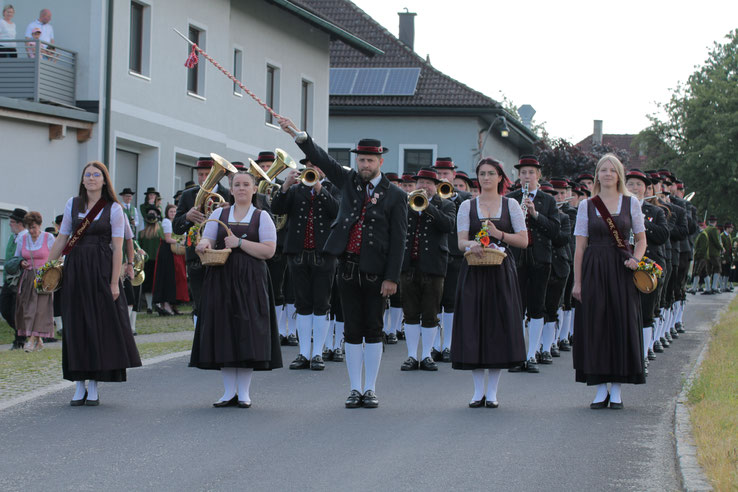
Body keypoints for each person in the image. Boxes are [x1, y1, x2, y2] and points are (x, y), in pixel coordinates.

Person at [279, 116, 407, 409]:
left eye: (369, 161)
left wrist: (392, 278)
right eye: (361, 160)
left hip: (377, 273)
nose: (364, 165)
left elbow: (398, 241)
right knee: (351, 330)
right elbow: (323, 159)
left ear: (380, 162)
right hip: (347, 268)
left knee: (373, 331)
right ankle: (354, 388)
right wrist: (300, 136)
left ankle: (370, 388)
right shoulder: (348, 181)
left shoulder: (396, 196)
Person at [46, 161, 141, 406]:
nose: (91, 178)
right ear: (82, 179)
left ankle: (95, 385)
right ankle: (79, 384)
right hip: (75, 268)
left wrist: (113, 282)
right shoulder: (72, 204)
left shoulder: (114, 209)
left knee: (98, 325)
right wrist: (46, 268)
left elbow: (118, 247)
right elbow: (62, 238)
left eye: (96, 175)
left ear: (104, 180)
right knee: (75, 324)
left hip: (101, 268)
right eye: (87, 174)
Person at [190, 172, 282, 407]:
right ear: (230, 189)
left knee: (247, 332)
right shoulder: (219, 213)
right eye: (237, 185)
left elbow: (269, 251)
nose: (241, 188)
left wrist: (240, 243)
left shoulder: (262, 217)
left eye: (246, 185)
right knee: (224, 331)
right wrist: (203, 244)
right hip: (221, 278)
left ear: (254, 190)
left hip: (251, 279)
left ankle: (244, 393)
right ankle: (228, 392)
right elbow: (209, 238)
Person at [451, 158, 528, 407]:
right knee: (473, 326)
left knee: (497, 327)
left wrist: (499, 235)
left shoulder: (511, 205)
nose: (486, 178)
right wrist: (472, 244)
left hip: (500, 271)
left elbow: (524, 241)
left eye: (491, 173)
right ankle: (477, 391)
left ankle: (492, 392)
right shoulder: (467, 206)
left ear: (500, 178)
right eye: (482, 173)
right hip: (474, 270)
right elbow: (460, 241)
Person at [572, 154, 647, 409]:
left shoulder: (631, 203)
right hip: (594, 268)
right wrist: (578, 282)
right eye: (602, 170)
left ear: (619, 175)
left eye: (611, 170)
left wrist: (636, 259)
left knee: (620, 324)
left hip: (621, 269)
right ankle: (600, 388)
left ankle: (616, 389)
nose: (607, 174)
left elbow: (641, 239)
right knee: (596, 325)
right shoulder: (587, 205)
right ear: (597, 175)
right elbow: (580, 247)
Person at [271, 158, 340, 371]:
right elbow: (277, 207)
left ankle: (318, 353)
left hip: (324, 254)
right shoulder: (295, 189)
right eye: (309, 166)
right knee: (302, 304)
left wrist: (319, 187)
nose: (312, 169)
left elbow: (337, 211)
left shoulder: (334, 187)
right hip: (298, 253)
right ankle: (303, 353)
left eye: (316, 166)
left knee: (321, 303)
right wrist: (285, 186)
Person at [505, 156, 560, 373]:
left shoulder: (548, 201)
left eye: (531, 172)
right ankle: (518, 355)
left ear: (538, 175)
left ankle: (532, 354)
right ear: (519, 176)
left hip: (540, 258)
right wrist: (518, 211)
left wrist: (535, 214)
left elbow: (555, 231)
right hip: (516, 257)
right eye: (523, 172)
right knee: (517, 307)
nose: (527, 176)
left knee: (538, 307)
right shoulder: (510, 199)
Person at [399, 167, 455, 371]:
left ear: (436, 187)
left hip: (433, 266)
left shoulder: (446, 205)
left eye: (428, 183)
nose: (423, 186)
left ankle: (427, 355)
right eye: (420, 183)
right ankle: (412, 355)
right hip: (408, 265)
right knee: (410, 312)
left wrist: (428, 208)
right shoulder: (406, 204)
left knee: (431, 313)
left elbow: (448, 225)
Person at [173, 157, 232, 329]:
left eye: (208, 174)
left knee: (222, 300)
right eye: (201, 174)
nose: (204, 177)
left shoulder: (228, 194)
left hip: (221, 254)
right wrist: (187, 217)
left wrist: (228, 212)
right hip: (196, 255)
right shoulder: (187, 195)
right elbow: (176, 227)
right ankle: (200, 340)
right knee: (199, 300)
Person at [625, 169, 669, 368]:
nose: (634, 188)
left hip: (648, 267)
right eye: (631, 184)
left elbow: (662, 236)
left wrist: (642, 222)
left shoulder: (656, 212)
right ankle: (626, 355)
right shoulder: (619, 209)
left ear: (646, 188)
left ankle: (642, 356)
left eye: (638, 184)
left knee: (646, 313)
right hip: (625, 265)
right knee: (625, 311)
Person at [431, 158, 471, 363]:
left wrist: (453, 197)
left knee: (451, 302)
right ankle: (434, 345)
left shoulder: (465, 198)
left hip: (455, 254)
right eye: (439, 173)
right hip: (435, 253)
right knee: (434, 302)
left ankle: (448, 345)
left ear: (454, 175)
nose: (443, 177)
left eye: (446, 173)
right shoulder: (429, 197)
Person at [14, 211, 55, 351]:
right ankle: (39, 340)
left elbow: (57, 256)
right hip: (28, 277)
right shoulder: (23, 239)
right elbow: (17, 257)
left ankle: (31, 341)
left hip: (44, 276)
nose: (31, 230)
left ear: (40, 225)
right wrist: (21, 263)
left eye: (34, 227)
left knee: (40, 309)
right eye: (29, 227)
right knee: (28, 308)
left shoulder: (48, 237)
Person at [2, 208, 27, 350]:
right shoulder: (13, 238)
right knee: (5, 309)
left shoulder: (25, 237)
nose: (10, 225)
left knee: (16, 310)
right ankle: (21, 332)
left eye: (12, 222)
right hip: (9, 278)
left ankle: (20, 338)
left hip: (19, 279)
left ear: (19, 223)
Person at [151, 204, 179, 316]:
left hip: (170, 252)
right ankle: (165, 304)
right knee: (166, 277)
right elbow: (168, 239)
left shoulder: (173, 222)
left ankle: (169, 304)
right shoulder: (166, 222)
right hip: (166, 252)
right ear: (167, 213)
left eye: (174, 211)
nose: (173, 213)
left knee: (170, 277)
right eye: (171, 211)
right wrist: (180, 241)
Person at [703, 216, 723, 294]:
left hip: (707, 253)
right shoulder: (714, 229)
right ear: (715, 222)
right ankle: (714, 287)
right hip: (714, 253)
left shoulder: (706, 229)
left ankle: (708, 287)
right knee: (717, 268)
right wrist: (722, 248)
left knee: (708, 270)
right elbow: (716, 241)